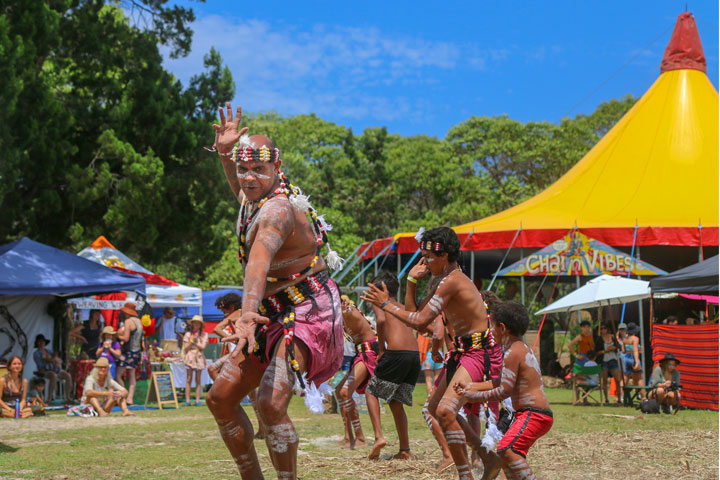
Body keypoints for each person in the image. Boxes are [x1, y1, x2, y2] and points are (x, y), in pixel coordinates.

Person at [206, 102, 344, 479]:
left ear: (276, 169)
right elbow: (238, 185)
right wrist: (223, 153)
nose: (248, 177)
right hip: (272, 311)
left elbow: (258, 263)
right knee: (220, 399)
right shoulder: (254, 198)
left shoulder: (276, 211)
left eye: (258, 169)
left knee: (269, 403)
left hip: (306, 308)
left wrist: (247, 313)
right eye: (243, 168)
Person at [363, 227, 503, 480]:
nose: (424, 262)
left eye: (428, 257)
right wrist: (411, 281)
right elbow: (413, 313)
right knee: (434, 407)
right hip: (461, 353)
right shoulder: (442, 281)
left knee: (445, 412)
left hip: (476, 353)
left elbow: (418, 321)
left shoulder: (453, 281)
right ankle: (485, 457)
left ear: (445, 255)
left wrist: (385, 304)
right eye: (423, 256)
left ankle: (467, 473)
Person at [453, 301, 553, 480]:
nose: (489, 331)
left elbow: (503, 391)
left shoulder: (513, 352)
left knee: (507, 449)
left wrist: (473, 396)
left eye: (491, 325)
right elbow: (500, 381)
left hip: (534, 414)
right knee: (506, 457)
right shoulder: (519, 349)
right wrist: (471, 385)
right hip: (530, 414)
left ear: (503, 327)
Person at [363, 272, 421, 460]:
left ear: (380, 291)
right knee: (396, 401)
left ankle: (379, 436)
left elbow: (380, 321)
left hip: (396, 353)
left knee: (371, 391)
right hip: (413, 356)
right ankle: (405, 449)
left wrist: (381, 349)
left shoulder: (381, 302)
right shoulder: (403, 307)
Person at [209, 292, 267, 440]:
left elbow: (216, 329)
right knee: (254, 394)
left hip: (241, 353)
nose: (223, 314)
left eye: (224, 311)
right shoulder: (248, 312)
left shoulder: (237, 313)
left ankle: (229, 395)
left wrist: (232, 339)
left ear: (231, 307)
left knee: (212, 369)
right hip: (247, 352)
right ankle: (261, 428)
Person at [336, 296, 383, 452]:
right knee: (339, 392)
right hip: (361, 354)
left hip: (368, 353)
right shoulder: (342, 312)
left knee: (344, 391)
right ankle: (349, 436)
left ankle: (361, 438)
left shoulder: (347, 311)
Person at [32, 334, 74, 404]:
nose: (41, 343)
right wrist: (51, 361)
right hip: (44, 371)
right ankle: (50, 398)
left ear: (45, 342)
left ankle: (68, 396)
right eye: (39, 342)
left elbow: (58, 359)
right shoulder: (36, 353)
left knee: (67, 375)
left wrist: (55, 361)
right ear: (37, 343)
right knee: (53, 375)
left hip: (55, 369)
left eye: (42, 341)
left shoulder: (49, 351)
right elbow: (40, 365)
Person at [117, 302, 144, 405]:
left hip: (128, 351)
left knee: (119, 375)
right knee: (132, 375)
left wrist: (117, 336)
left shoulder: (128, 321)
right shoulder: (139, 322)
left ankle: (123, 396)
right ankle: (130, 398)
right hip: (136, 351)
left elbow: (126, 338)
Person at [182, 315, 209, 406]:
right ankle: (187, 400)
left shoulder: (204, 334)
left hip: (199, 356)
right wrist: (191, 341)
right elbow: (185, 348)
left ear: (200, 325)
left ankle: (197, 400)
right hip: (190, 356)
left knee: (198, 379)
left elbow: (203, 347)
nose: (196, 324)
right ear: (192, 324)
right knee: (188, 379)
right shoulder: (188, 334)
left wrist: (196, 342)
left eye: (198, 323)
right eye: (195, 322)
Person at [598, 323, 623, 405]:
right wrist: (605, 351)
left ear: (607, 329)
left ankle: (619, 398)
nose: (603, 330)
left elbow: (619, 346)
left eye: (604, 328)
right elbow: (597, 351)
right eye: (601, 328)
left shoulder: (612, 337)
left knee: (617, 380)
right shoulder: (599, 339)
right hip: (604, 360)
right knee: (604, 380)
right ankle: (606, 399)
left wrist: (613, 348)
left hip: (613, 359)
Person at [618, 322, 645, 399]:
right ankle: (643, 397)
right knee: (640, 378)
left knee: (624, 378)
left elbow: (623, 350)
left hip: (626, 359)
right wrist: (637, 362)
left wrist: (629, 350)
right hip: (633, 358)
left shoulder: (624, 339)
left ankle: (621, 397)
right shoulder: (635, 338)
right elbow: (636, 351)